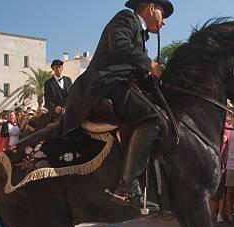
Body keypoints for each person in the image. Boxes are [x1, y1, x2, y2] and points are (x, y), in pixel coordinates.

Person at [62, 0, 174, 212]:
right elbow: (120, 44)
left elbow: (140, 73)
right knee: (152, 118)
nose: (164, 21)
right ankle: (127, 187)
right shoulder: (126, 18)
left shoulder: (141, 35)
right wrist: (150, 64)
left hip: (120, 86)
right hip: (105, 86)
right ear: (151, 8)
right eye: (162, 13)